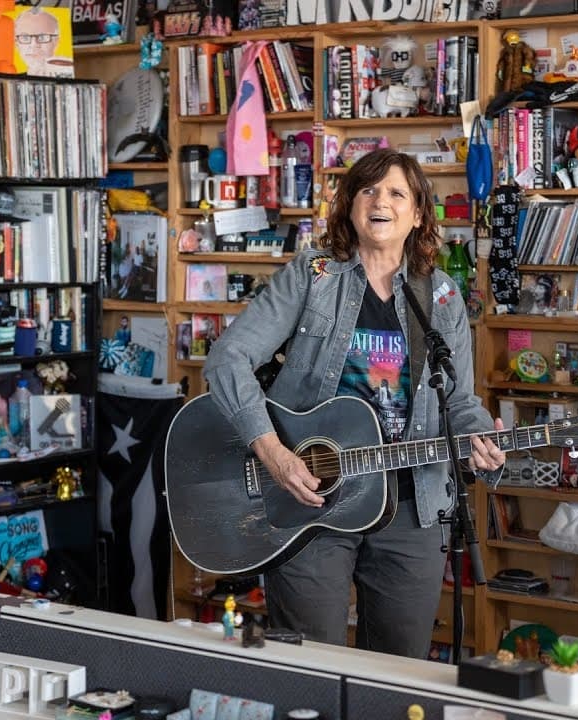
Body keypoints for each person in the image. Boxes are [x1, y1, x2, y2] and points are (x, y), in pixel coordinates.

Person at [204, 149, 506, 659]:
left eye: (396, 193)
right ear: (349, 206)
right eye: (367, 190)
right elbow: (227, 359)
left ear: (417, 214)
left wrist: (482, 437)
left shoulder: (444, 298)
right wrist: (273, 452)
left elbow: (458, 399)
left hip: (412, 504)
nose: (380, 201)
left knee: (398, 672)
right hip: (311, 500)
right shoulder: (314, 274)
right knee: (309, 663)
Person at [13, 7, 71, 78]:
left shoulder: (67, 75)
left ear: (56, 42)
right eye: (25, 37)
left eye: (42, 37)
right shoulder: (10, 80)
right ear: (16, 44)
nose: (34, 44)